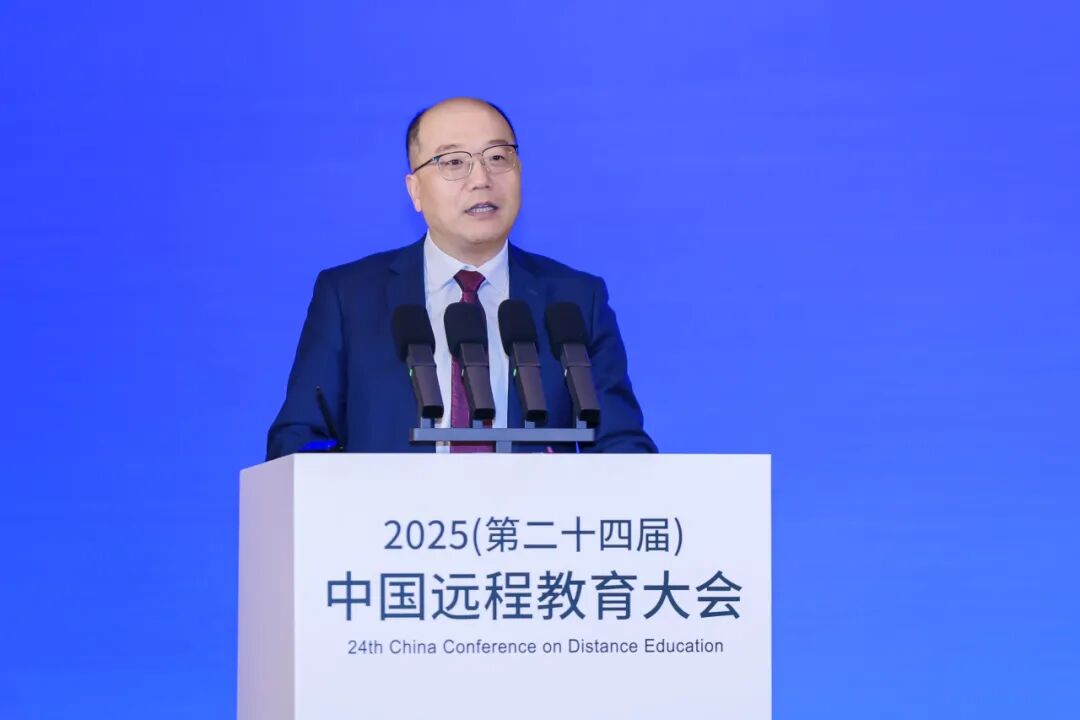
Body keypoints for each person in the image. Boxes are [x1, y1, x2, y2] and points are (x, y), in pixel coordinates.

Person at [266, 97, 655, 459]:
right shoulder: (349, 297)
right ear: (415, 191)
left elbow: (622, 445)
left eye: (498, 157)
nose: (481, 178)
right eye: (453, 162)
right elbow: (298, 439)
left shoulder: (575, 300)